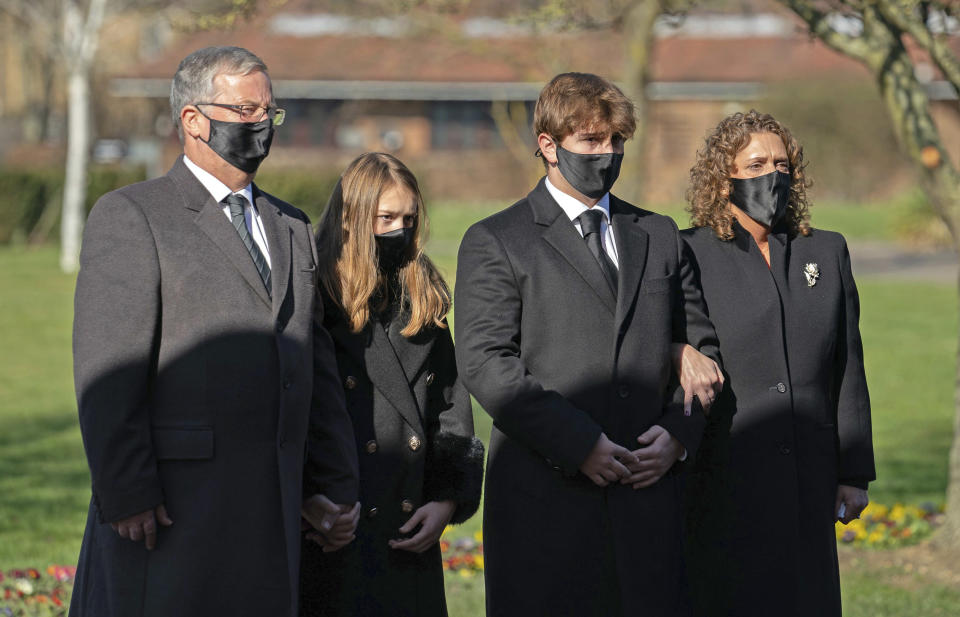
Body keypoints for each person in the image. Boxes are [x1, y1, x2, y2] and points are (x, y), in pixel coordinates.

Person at [69, 46, 360, 617]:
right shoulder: (133, 216)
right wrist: (127, 492)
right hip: (174, 511)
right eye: (245, 110)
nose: (260, 125)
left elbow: (313, 365)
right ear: (193, 120)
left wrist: (333, 485)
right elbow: (108, 369)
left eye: (268, 113)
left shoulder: (293, 226)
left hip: (274, 506)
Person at [454, 72, 723, 617]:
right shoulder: (497, 240)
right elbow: (486, 363)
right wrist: (579, 444)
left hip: (648, 505)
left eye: (617, 141)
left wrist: (677, 435)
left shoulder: (660, 234)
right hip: (546, 504)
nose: (608, 154)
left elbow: (702, 352)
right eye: (592, 141)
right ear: (549, 145)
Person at [680, 110, 875, 616]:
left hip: (808, 480)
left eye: (783, 164)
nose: (774, 175)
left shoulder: (826, 251)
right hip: (724, 477)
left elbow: (847, 366)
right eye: (757, 164)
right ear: (724, 182)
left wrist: (854, 472)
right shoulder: (688, 253)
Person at [299, 153, 484, 617]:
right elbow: (294, 408)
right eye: (386, 218)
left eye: (408, 217)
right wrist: (308, 501)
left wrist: (446, 499)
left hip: (408, 532)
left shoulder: (423, 293)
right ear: (353, 219)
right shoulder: (312, 295)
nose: (399, 229)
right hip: (333, 528)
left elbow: (450, 405)